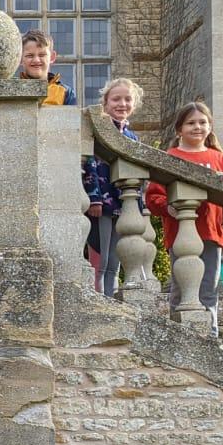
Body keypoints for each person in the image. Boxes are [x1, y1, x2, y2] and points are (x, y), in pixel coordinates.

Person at [144, 100, 223, 332]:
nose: (197, 127)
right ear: (179, 129)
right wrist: (168, 207)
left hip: (212, 233)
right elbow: (153, 196)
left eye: (202, 122)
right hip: (181, 235)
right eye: (191, 123)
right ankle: (179, 334)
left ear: (210, 127)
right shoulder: (170, 157)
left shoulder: (219, 159)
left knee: (209, 288)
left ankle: (210, 335)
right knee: (181, 287)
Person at [85, 76, 144, 297]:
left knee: (116, 257)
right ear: (105, 103)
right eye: (116, 99)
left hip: (123, 205)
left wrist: (138, 205)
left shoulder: (132, 137)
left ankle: (111, 297)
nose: (122, 104)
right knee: (100, 257)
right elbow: (89, 163)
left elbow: (139, 174)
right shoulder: (98, 130)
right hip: (101, 203)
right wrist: (94, 198)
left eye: (127, 99)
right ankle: (99, 298)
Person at [18, 28, 76, 104]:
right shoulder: (12, 90)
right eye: (30, 55)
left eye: (42, 55)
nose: (36, 60)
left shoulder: (65, 93)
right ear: (20, 58)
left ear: (52, 57)